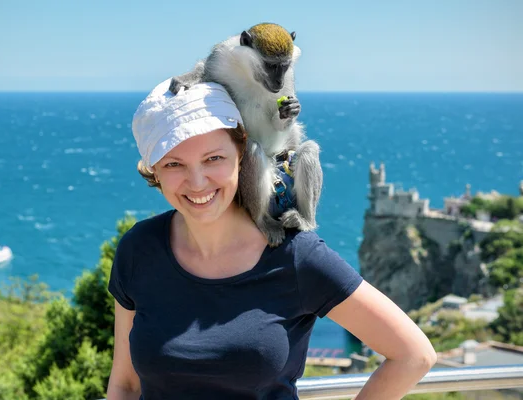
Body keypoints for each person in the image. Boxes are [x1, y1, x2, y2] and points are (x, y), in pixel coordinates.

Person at [106, 79, 437, 400]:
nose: (197, 182)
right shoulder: (139, 250)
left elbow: (413, 355)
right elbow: (125, 385)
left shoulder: (294, 255)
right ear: (154, 172)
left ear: (242, 154)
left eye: (213, 159)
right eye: (174, 163)